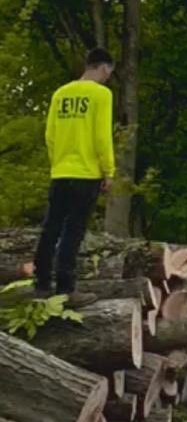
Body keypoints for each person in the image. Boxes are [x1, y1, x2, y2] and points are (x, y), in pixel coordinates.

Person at [33, 47, 115, 298]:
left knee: (51, 227)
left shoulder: (61, 94)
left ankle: (42, 281)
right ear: (103, 68)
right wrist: (108, 170)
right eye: (108, 73)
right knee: (74, 230)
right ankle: (66, 287)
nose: (107, 78)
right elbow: (102, 136)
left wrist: (57, 162)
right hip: (86, 173)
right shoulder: (101, 94)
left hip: (60, 171)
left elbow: (50, 135)